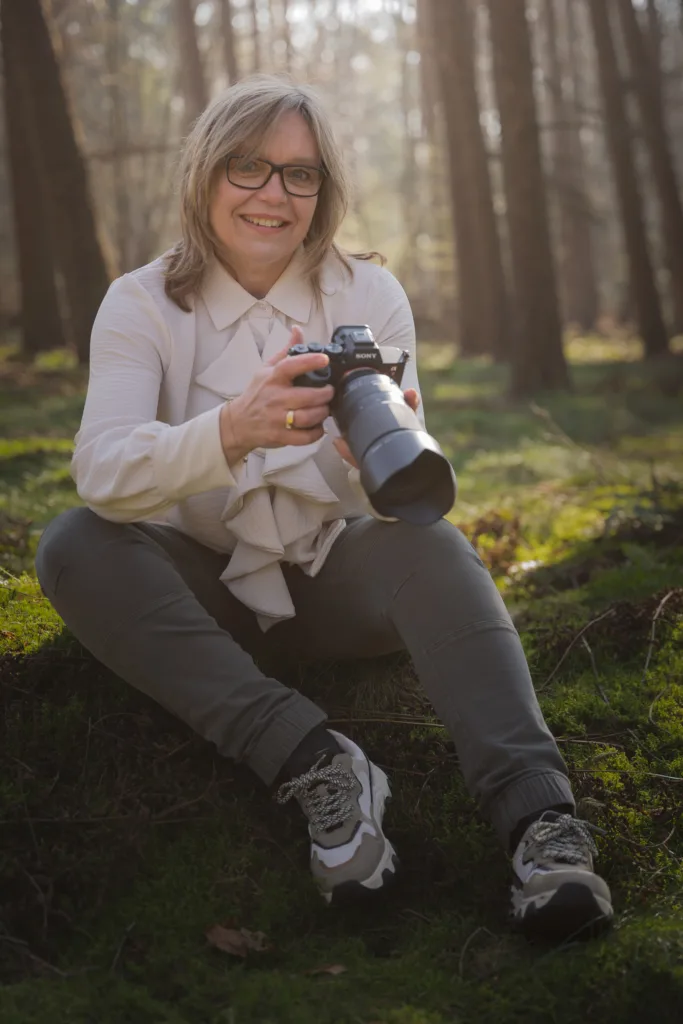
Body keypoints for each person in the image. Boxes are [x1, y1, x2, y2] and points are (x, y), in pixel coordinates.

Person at [35, 74, 612, 941]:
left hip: (334, 578)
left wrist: (359, 457)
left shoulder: (367, 299)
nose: (273, 194)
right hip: (200, 593)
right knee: (74, 545)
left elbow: (403, 490)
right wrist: (230, 430)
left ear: (323, 191)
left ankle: (542, 827)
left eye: (299, 175)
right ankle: (318, 764)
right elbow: (102, 470)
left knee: (438, 549)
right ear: (203, 175)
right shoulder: (144, 302)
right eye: (247, 167)